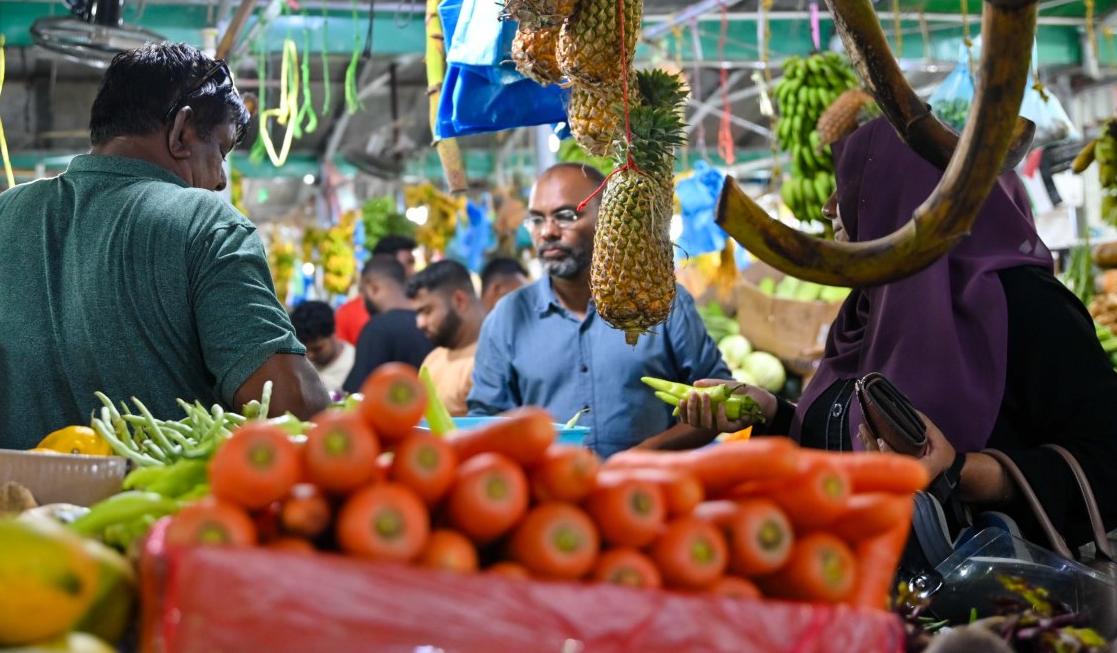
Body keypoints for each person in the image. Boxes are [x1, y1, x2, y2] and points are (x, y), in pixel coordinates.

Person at [677, 118, 1117, 548]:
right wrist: (773, 413)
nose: (831, 205)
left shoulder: (1027, 306)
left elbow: (1105, 460)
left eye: (855, 182)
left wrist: (964, 472)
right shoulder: (865, 312)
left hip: (996, 609)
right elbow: (858, 446)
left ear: (914, 196)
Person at [0, 43, 328, 449]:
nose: (220, 180)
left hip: (3, 505)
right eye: (221, 149)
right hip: (149, 509)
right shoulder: (207, 222)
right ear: (182, 131)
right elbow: (292, 405)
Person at [467, 163, 730, 458]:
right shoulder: (508, 317)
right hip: (549, 496)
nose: (548, 232)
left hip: (650, 491)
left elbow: (721, 402)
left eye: (566, 215)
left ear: (609, 219)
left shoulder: (664, 303)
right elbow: (484, 421)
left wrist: (649, 452)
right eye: (537, 220)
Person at [341, 254, 435, 392]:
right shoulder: (431, 324)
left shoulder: (377, 329)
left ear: (373, 288)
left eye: (362, 291)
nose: (361, 300)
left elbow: (358, 394)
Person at [407, 260, 486, 416]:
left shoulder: (490, 362)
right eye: (418, 313)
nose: (420, 323)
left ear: (459, 300)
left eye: (427, 311)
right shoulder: (433, 359)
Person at [333, 234, 419, 346]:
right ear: (385, 264)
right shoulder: (347, 315)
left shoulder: (421, 309)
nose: (413, 271)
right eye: (408, 263)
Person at [289, 300, 355, 394]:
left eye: (317, 349)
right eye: (304, 349)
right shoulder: (295, 364)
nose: (309, 355)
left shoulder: (354, 364)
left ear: (333, 333)